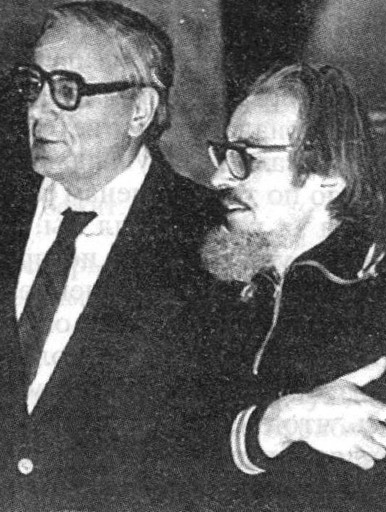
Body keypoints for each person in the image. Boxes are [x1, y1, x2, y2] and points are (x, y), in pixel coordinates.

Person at [0, 2, 216, 510]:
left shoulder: (205, 236)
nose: (38, 111)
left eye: (67, 89)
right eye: (34, 84)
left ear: (139, 111)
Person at [158, 64, 386, 511]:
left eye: (246, 156)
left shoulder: (385, 298)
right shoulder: (207, 283)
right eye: (224, 153)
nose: (219, 178)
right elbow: (152, 452)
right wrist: (283, 421)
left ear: (327, 179)